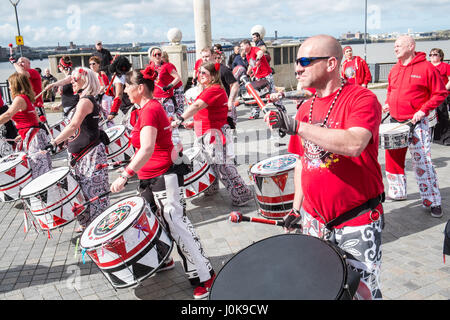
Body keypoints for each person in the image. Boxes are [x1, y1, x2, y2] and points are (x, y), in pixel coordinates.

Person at [265, 34, 385, 300]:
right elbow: (301, 162)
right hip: (314, 220)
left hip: (357, 219)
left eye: (305, 61)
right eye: (297, 61)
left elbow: (354, 143)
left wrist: (296, 127)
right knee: (321, 289)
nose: (298, 68)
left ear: (331, 63)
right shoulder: (304, 108)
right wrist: (296, 210)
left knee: (362, 292)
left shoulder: (361, 99)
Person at [109, 67, 215, 299]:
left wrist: (126, 174)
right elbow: (144, 148)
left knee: (178, 226)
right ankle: (165, 260)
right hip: (149, 178)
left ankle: (206, 275)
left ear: (139, 88)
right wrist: (131, 166)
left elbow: (147, 148)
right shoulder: (142, 110)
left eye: (127, 85)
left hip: (164, 176)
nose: (124, 90)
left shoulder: (150, 110)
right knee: (155, 224)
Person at [172, 61, 253, 206]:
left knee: (222, 165)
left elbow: (197, 106)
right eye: (199, 72)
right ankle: (212, 188)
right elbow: (206, 112)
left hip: (213, 134)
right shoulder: (208, 88)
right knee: (210, 163)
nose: (200, 75)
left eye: (204, 73)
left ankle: (243, 194)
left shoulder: (214, 90)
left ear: (213, 75)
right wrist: (193, 123)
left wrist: (180, 118)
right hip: (206, 132)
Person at [382, 35, 447, 218]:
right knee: (393, 160)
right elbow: (390, 90)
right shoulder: (394, 69)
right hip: (395, 122)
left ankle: (433, 201)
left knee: (423, 162)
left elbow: (440, 93)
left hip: (416, 122)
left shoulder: (426, 68)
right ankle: (397, 192)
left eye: (399, 45)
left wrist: (424, 109)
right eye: (394, 46)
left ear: (411, 46)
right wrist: (387, 102)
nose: (395, 49)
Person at [46, 67, 109, 232]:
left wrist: (54, 141)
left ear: (85, 80)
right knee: (85, 195)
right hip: (82, 156)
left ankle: (99, 233)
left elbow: (73, 126)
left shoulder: (85, 101)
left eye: (75, 79)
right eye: (72, 79)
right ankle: (90, 229)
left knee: (94, 196)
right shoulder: (83, 100)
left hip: (90, 155)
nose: (71, 81)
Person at [0, 73, 52, 178]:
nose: (9, 87)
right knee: (41, 168)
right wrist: (22, 134)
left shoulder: (19, 99)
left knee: (38, 170)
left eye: (10, 84)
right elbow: (35, 119)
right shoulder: (26, 98)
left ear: (16, 85)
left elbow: (8, 115)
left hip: (33, 137)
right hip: (32, 135)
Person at [147, 47, 183, 148]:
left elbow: (177, 78)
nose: (158, 56)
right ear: (151, 57)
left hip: (167, 98)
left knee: (171, 123)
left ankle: (177, 148)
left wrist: (169, 86)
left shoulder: (167, 66)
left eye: (159, 54)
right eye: (155, 55)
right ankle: (164, 146)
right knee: (158, 124)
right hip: (155, 99)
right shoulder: (150, 67)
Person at [240, 39, 285, 119]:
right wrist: (248, 73)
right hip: (258, 77)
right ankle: (255, 113)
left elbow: (260, 53)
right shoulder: (247, 55)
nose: (241, 48)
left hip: (267, 75)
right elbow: (251, 65)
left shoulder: (254, 49)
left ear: (247, 45)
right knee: (256, 94)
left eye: (242, 46)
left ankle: (281, 110)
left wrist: (257, 59)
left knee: (272, 93)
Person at [10, 56, 46, 124]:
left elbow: (23, 74)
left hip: (36, 106)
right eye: (19, 62)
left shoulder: (33, 72)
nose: (20, 64)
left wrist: (14, 63)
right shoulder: (20, 75)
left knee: (41, 128)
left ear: (29, 64)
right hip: (26, 106)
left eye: (22, 62)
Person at [429, 48, 450, 145]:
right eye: (431, 55)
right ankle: (435, 138)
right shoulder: (428, 66)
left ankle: (445, 139)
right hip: (430, 94)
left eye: (435, 54)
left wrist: (443, 90)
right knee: (431, 116)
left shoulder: (445, 66)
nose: (432, 56)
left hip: (442, 94)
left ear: (441, 56)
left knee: (442, 115)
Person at [89, 56, 114, 127]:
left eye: (93, 64)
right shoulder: (90, 75)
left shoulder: (101, 73)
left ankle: (112, 131)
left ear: (98, 64)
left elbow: (104, 86)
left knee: (107, 115)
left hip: (104, 96)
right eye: (90, 64)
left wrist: (96, 92)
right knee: (97, 117)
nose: (92, 66)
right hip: (96, 97)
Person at [161, 51, 185, 118]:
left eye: (162, 57)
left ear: (165, 58)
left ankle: (180, 120)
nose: (160, 58)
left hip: (177, 86)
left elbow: (177, 77)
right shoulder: (160, 66)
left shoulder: (169, 65)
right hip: (170, 88)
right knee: (174, 104)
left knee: (179, 103)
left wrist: (170, 85)